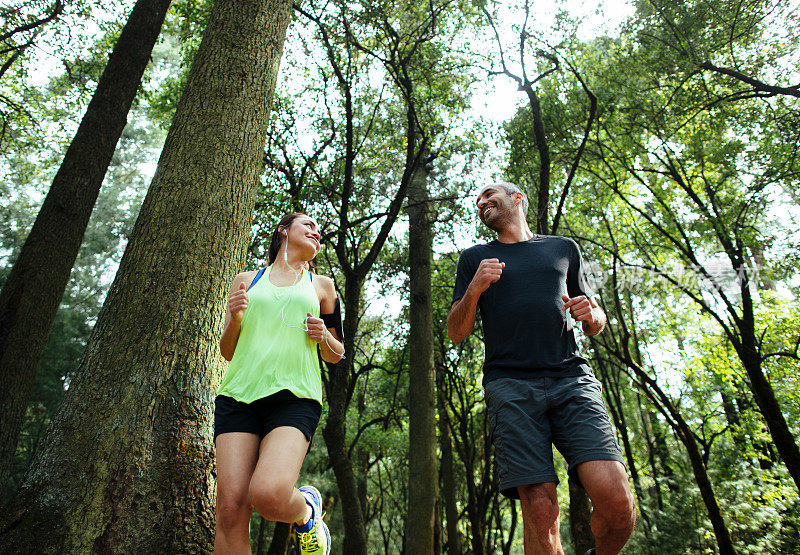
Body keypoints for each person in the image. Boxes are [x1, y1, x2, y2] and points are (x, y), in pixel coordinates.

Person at [447, 183, 635, 555]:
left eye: (488, 194)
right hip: (510, 386)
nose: (482, 202)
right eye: (478, 201)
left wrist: (592, 315)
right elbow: (456, 332)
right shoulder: (474, 258)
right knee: (540, 511)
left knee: (616, 504)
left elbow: (595, 316)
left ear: (517, 198)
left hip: (572, 379)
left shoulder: (562, 248)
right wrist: (474, 289)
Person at [215, 213, 344, 555]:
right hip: (237, 397)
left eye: (320, 231)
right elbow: (227, 351)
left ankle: (307, 512)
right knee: (230, 510)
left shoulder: (322, 287)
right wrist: (236, 319)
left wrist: (322, 338)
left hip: (294, 398)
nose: (317, 233)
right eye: (309, 226)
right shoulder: (246, 280)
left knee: (269, 495)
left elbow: (337, 353)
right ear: (283, 230)